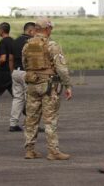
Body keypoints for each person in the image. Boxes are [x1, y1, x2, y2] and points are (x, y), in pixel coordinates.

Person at [23, 18, 72, 160]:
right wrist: (68, 85)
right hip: (48, 86)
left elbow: (25, 63)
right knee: (50, 119)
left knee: (31, 119)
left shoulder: (27, 45)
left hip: (32, 84)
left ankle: (29, 150)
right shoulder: (52, 45)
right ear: (47, 29)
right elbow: (61, 69)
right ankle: (53, 151)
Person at [10, 22, 35, 132]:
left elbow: (10, 58)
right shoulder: (31, 42)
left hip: (16, 72)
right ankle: (31, 124)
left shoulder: (15, 41)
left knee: (17, 98)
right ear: (30, 31)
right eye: (35, 31)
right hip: (26, 73)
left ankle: (13, 123)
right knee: (31, 99)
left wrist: (12, 72)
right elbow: (35, 60)